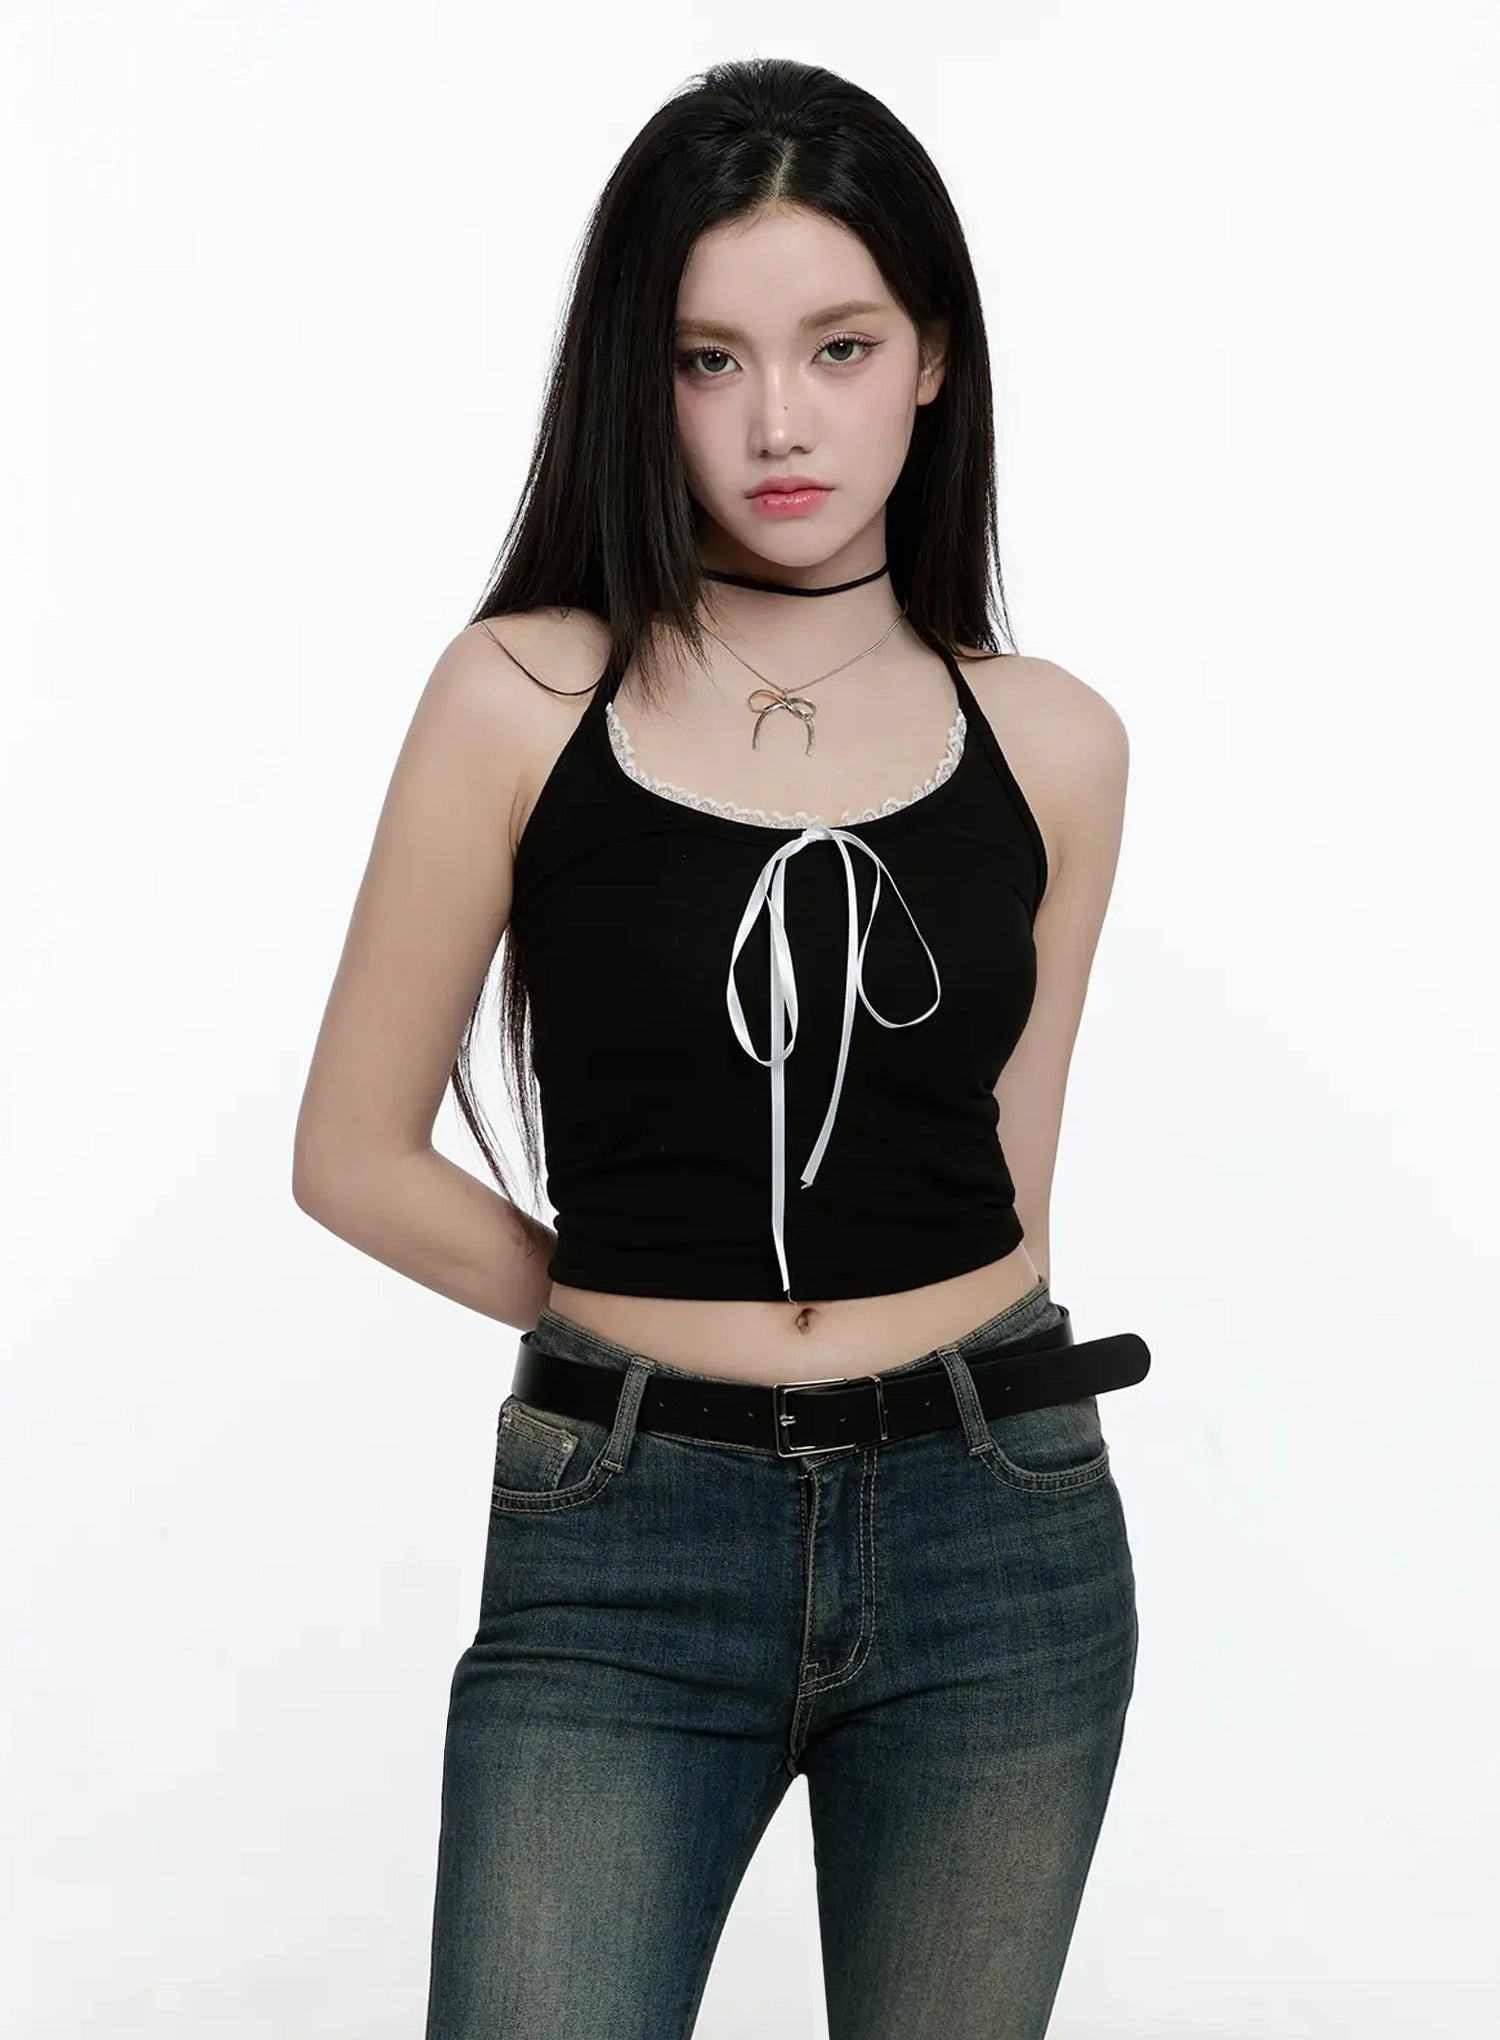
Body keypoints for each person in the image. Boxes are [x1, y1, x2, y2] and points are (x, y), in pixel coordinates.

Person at [294, 53, 1143, 2040]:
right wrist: (624, 1322)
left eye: (839, 346)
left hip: (996, 1531)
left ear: (931, 359)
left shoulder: (1054, 741)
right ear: (640, 375)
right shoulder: (522, 696)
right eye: (710, 359)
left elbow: (1010, 1187)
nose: (778, 420)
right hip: (627, 1539)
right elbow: (352, 1155)